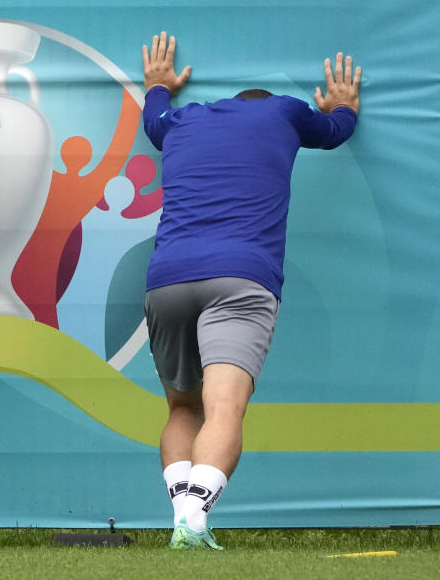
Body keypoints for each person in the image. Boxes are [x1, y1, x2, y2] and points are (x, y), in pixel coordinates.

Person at [140, 31, 361, 550]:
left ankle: (182, 517)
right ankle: (192, 524)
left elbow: (154, 121)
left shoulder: (181, 121)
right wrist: (345, 108)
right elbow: (331, 131)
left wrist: (157, 86)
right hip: (242, 278)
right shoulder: (284, 111)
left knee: (181, 409)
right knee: (224, 409)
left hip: (166, 278)